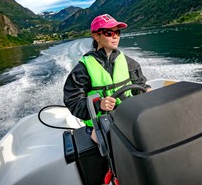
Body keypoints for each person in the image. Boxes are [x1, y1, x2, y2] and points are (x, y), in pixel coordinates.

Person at [63, 14, 151, 142]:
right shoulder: (82, 70)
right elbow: (73, 101)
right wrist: (99, 104)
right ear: (96, 36)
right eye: (109, 33)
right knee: (110, 142)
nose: (115, 36)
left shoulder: (129, 63)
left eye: (117, 32)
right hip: (100, 125)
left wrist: (147, 90)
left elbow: (140, 85)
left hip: (128, 117)